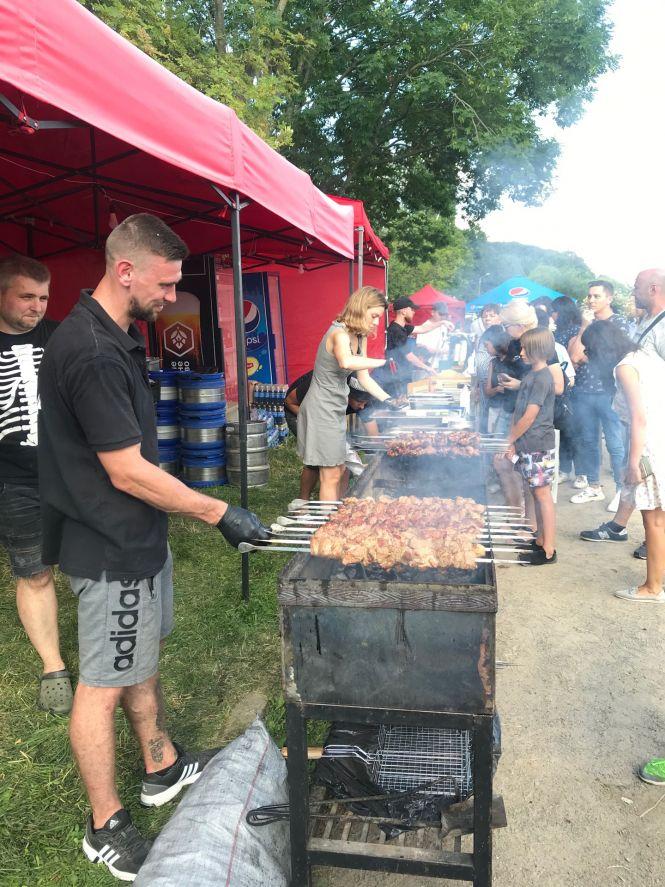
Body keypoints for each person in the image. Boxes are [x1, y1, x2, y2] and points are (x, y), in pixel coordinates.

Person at [38, 214, 270, 881]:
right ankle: (103, 821)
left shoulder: (114, 334)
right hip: (109, 543)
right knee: (102, 684)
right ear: (125, 269)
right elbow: (127, 470)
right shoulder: (89, 349)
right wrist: (217, 509)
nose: (171, 297)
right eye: (165, 284)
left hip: (137, 536)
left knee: (139, 658)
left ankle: (159, 764)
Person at [0, 256, 72, 716]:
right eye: (27, 296)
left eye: (43, 297)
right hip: (14, 480)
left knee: (91, 561)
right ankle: (54, 667)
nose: (38, 307)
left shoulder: (63, 336)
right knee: (34, 570)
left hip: (71, 471)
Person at [580, 269, 665, 556]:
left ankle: (655, 540)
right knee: (636, 475)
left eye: (636, 287)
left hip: (652, 419)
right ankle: (619, 526)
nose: (632, 292)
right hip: (638, 416)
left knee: (649, 480)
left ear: (654, 288)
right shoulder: (644, 320)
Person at [297, 286, 396, 502]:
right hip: (320, 408)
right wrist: (382, 361)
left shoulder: (360, 337)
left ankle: (326, 516)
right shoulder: (338, 334)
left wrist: (389, 399)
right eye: (375, 316)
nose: (377, 322)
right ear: (361, 309)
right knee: (331, 473)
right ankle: (326, 526)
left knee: (338, 469)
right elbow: (346, 361)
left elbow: (364, 378)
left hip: (335, 408)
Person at [493, 301, 564, 519]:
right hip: (515, 411)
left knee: (528, 478)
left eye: (506, 325)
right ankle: (519, 517)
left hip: (534, 424)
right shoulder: (518, 345)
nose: (504, 330)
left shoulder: (539, 345)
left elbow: (558, 386)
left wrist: (519, 384)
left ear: (519, 325)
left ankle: (526, 521)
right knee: (510, 467)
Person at [567, 280, 629, 505]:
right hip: (584, 390)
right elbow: (575, 357)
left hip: (609, 391)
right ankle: (594, 486)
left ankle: (623, 492)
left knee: (615, 443)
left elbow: (620, 353)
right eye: (589, 296)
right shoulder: (585, 325)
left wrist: (589, 355)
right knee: (589, 441)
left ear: (609, 298)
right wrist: (585, 325)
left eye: (597, 296)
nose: (591, 300)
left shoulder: (620, 323)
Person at [504, 328, 558, 565]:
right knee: (536, 494)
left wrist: (509, 441)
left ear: (538, 351)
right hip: (527, 443)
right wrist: (513, 441)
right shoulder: (530, 376)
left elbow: (529, 416)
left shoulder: (544, 377)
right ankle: (539, 540)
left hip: (538, 445)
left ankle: (548, 549)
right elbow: (518, 412)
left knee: (542, 494)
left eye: (526, 349)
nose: (521, 352)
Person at [285, 370, 376, 500]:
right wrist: (315, 423)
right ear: (347, 394)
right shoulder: (323, 384)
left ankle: (341, 502)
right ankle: (302, 502)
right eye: (359, 402)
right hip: (299, 411)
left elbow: (373, 431)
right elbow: (290, 402)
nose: (362, 406)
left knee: (342, 459)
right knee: (317, 460)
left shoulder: (363, 394)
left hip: (327, 418)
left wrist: (376, 454)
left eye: (365, 403)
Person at [385, 296, 446, 394]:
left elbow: (423, 329)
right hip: (396, 380)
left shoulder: (402, 327)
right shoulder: (396, 330)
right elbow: (409, 356)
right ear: (404, 311)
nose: (414, 312)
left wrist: (442, 322)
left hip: (402, 376)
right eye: (412, 309)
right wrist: (427, 368)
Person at [483, 326, 515, 436]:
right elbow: (487, 391)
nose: (486, 349)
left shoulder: (513, 361)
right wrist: (497, 389)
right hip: (494, 409)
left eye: (487, 345)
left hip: (510, 411)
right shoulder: (493, 362)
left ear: (496, 343)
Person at [416, 301, 455, 370]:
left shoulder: (444, 326)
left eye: (445, 314)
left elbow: (445, 343)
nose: (443, 317)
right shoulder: (425, 325)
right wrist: (441, 351)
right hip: (426, 366)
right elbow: (420, 347)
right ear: (433, 312)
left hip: (441, 365)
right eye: (440, 314)